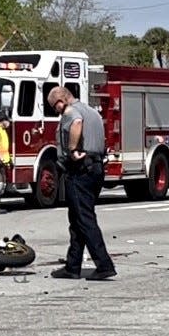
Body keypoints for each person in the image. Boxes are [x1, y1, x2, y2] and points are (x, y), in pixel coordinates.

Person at [47, 86, 116, 281]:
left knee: (84, 219)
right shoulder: (92, 111)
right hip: (95, 169)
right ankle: (73, 266)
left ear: (61, 101)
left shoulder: (71, 111)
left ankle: (104, 264)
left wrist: (72, 148)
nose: (57, 111)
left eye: (55, 107)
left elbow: (76, 121)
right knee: (77, 220)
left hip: (80, 171)